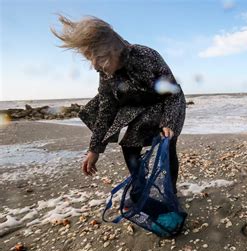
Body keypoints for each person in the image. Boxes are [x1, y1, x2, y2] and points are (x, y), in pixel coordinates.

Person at [51, 15, 186, 199]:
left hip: (167, 103)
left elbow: (173, 92)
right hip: (138, 108)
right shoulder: (105, 73)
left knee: (168, 147)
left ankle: (171, 192)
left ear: (114, 48)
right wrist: (94, 149)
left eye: (99, 58)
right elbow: (106, 112)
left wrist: (168, 122)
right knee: (129, 146)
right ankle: (139, 187)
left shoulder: (146, 55)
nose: (95, 65)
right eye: (89, 59)